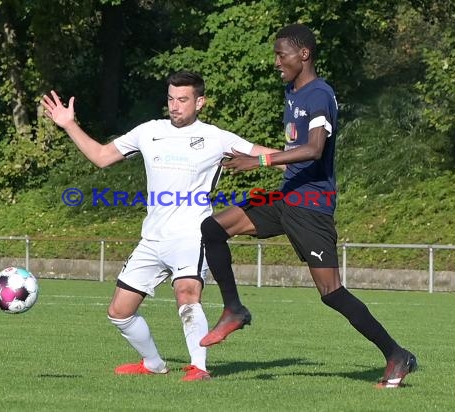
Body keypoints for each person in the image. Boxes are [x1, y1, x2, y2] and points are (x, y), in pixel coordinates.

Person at [198, 24, 418, 389]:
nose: (276, 62)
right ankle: (234, 309)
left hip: (311, 205)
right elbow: (296, 148)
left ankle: (397, 354)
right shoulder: (292, 90)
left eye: (281, 55)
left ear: (304, 55)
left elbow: (315, 149)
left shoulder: (320, 95)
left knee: (331, 292)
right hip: (286, 196)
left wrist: (261, 162)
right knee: (212, 228)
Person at [41, 71, 278, 381]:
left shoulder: (217, 138)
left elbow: (273, 156)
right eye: (170, 99)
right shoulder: (148, 131)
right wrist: (69, 124)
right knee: (119, 311)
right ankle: (153, 363)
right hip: (152, 238)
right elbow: (101, 156)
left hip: (192, 235)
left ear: (200, 102)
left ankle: (200, 368)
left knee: (187, 292)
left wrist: (309, 154)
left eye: (182, 99)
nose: (175, 106)